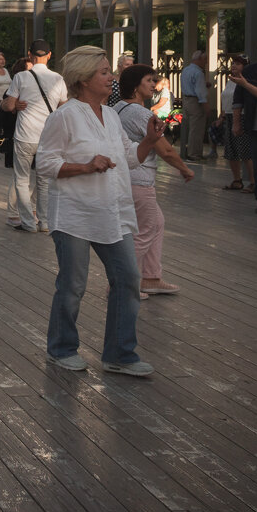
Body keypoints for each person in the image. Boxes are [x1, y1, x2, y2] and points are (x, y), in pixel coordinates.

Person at [37, 45, 164, 377]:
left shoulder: (110, 115)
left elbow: (129, 156)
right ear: (83, 78)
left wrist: (149, 141)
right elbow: (44, 163)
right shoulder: (64, 116)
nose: (112, 78)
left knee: (128, 278)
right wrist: (85, 166)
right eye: (104, 72)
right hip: (75, 215)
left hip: (112, 212)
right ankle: (61, 349)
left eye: (110, 72)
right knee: (73, 284)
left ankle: (120, 354)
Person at [114, 65, 194, 297]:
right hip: (139, 180)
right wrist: (185, 169)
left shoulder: (118, 108)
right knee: (144, 231)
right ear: (136, 86)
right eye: (149, 80)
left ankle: (150, 277)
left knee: (156, 223)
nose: (153, 84)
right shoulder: (141, 113)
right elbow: (165, 150)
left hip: (125, 178)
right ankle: (121, 284)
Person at [0, 39, 67, 232]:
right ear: (49, 55)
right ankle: (44, 222)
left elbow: (10, 105)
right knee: (44, 180)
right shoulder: (58, 79)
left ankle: (28, 223)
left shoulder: (21, 77)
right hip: (48, 137)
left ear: (30, 55)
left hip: (25, 135)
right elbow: (63, 109)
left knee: (22, 179)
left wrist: (6, 104)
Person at [230, 39, 257, 215]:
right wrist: (236, 121)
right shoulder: (250, 71)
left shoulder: (245, 77)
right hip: (256, 127)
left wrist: (245, 83)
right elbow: (238, 99)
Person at [220, 55, 254, 193]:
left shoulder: (246, 81)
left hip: (242, 117)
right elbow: (227, 98)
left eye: (238, 64)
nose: (234, 66)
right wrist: (221, 115)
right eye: (233, 63)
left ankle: (253, 182)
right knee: (231, 150)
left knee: (245, 151)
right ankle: (237, 180)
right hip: (229, 116)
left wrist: (237, 120)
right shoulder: (230, 81)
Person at [180, 50, 209, 160]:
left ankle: (187, 151)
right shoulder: (198, 73)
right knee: (197, 129)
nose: (205, 62)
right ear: (199, 59)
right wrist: (206, 106)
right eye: (204, 59)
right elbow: (200, 92)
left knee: (189, 127)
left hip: (186, 100)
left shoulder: (186, 70)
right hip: (195, 102)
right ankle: (194, 154)